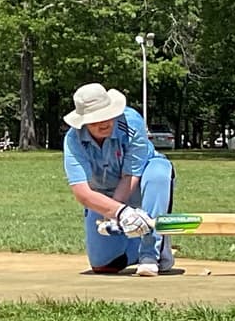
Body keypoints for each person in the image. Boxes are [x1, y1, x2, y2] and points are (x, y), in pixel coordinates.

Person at [62, 82, 175, 276]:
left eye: (107, 115)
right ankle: (139, 242)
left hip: (140, 181)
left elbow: (131, 173)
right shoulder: (73, 140)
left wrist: (119, 211)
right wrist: (118, 213)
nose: (104, 123)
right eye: (95, 119)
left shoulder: (132, 121)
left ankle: (150, 252)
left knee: (158, 174)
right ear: (83, 121)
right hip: (103, 194)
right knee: (103, 265)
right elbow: (82, 193)